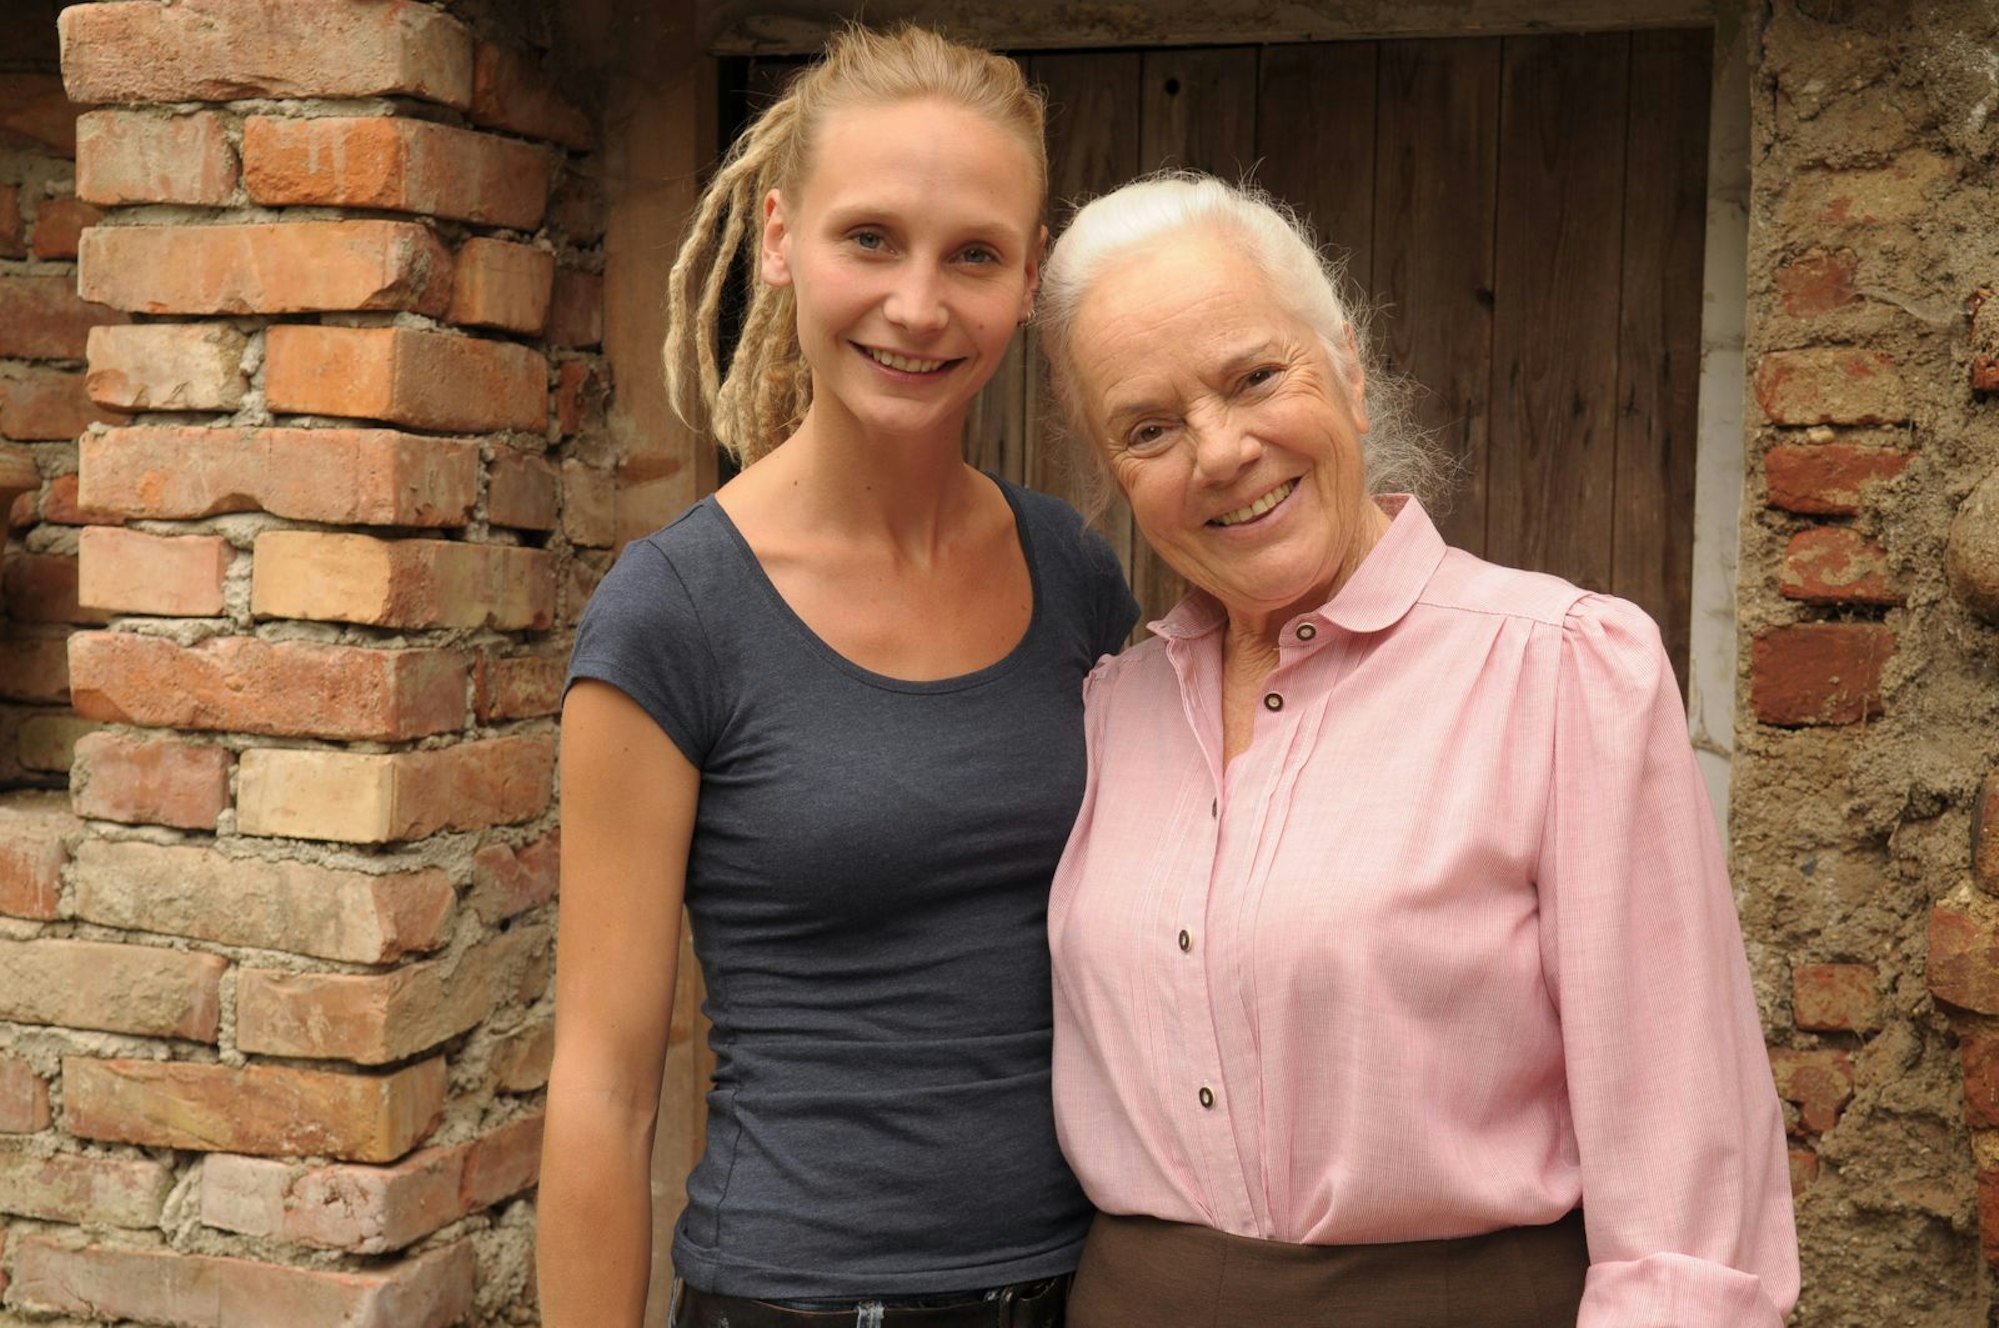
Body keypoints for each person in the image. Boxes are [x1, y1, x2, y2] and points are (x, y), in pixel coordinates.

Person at [1035, 173, 1800, 1327]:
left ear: (1346, 366)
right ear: (1114, 471)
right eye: (1148, 428)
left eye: (1254, 377)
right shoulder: (1112, 706)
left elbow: (1684, 1178)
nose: (1220, 449)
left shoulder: (1560, 670)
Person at [537, 26, 1138, 1328]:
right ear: (776, 238)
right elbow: (601, 1088)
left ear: (1028, 277)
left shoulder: (1078, 576)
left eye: (971, 254)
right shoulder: (674, 614)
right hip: (798, 1301)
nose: (917, 304)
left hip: (1092, 1287)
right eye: (868, 237)